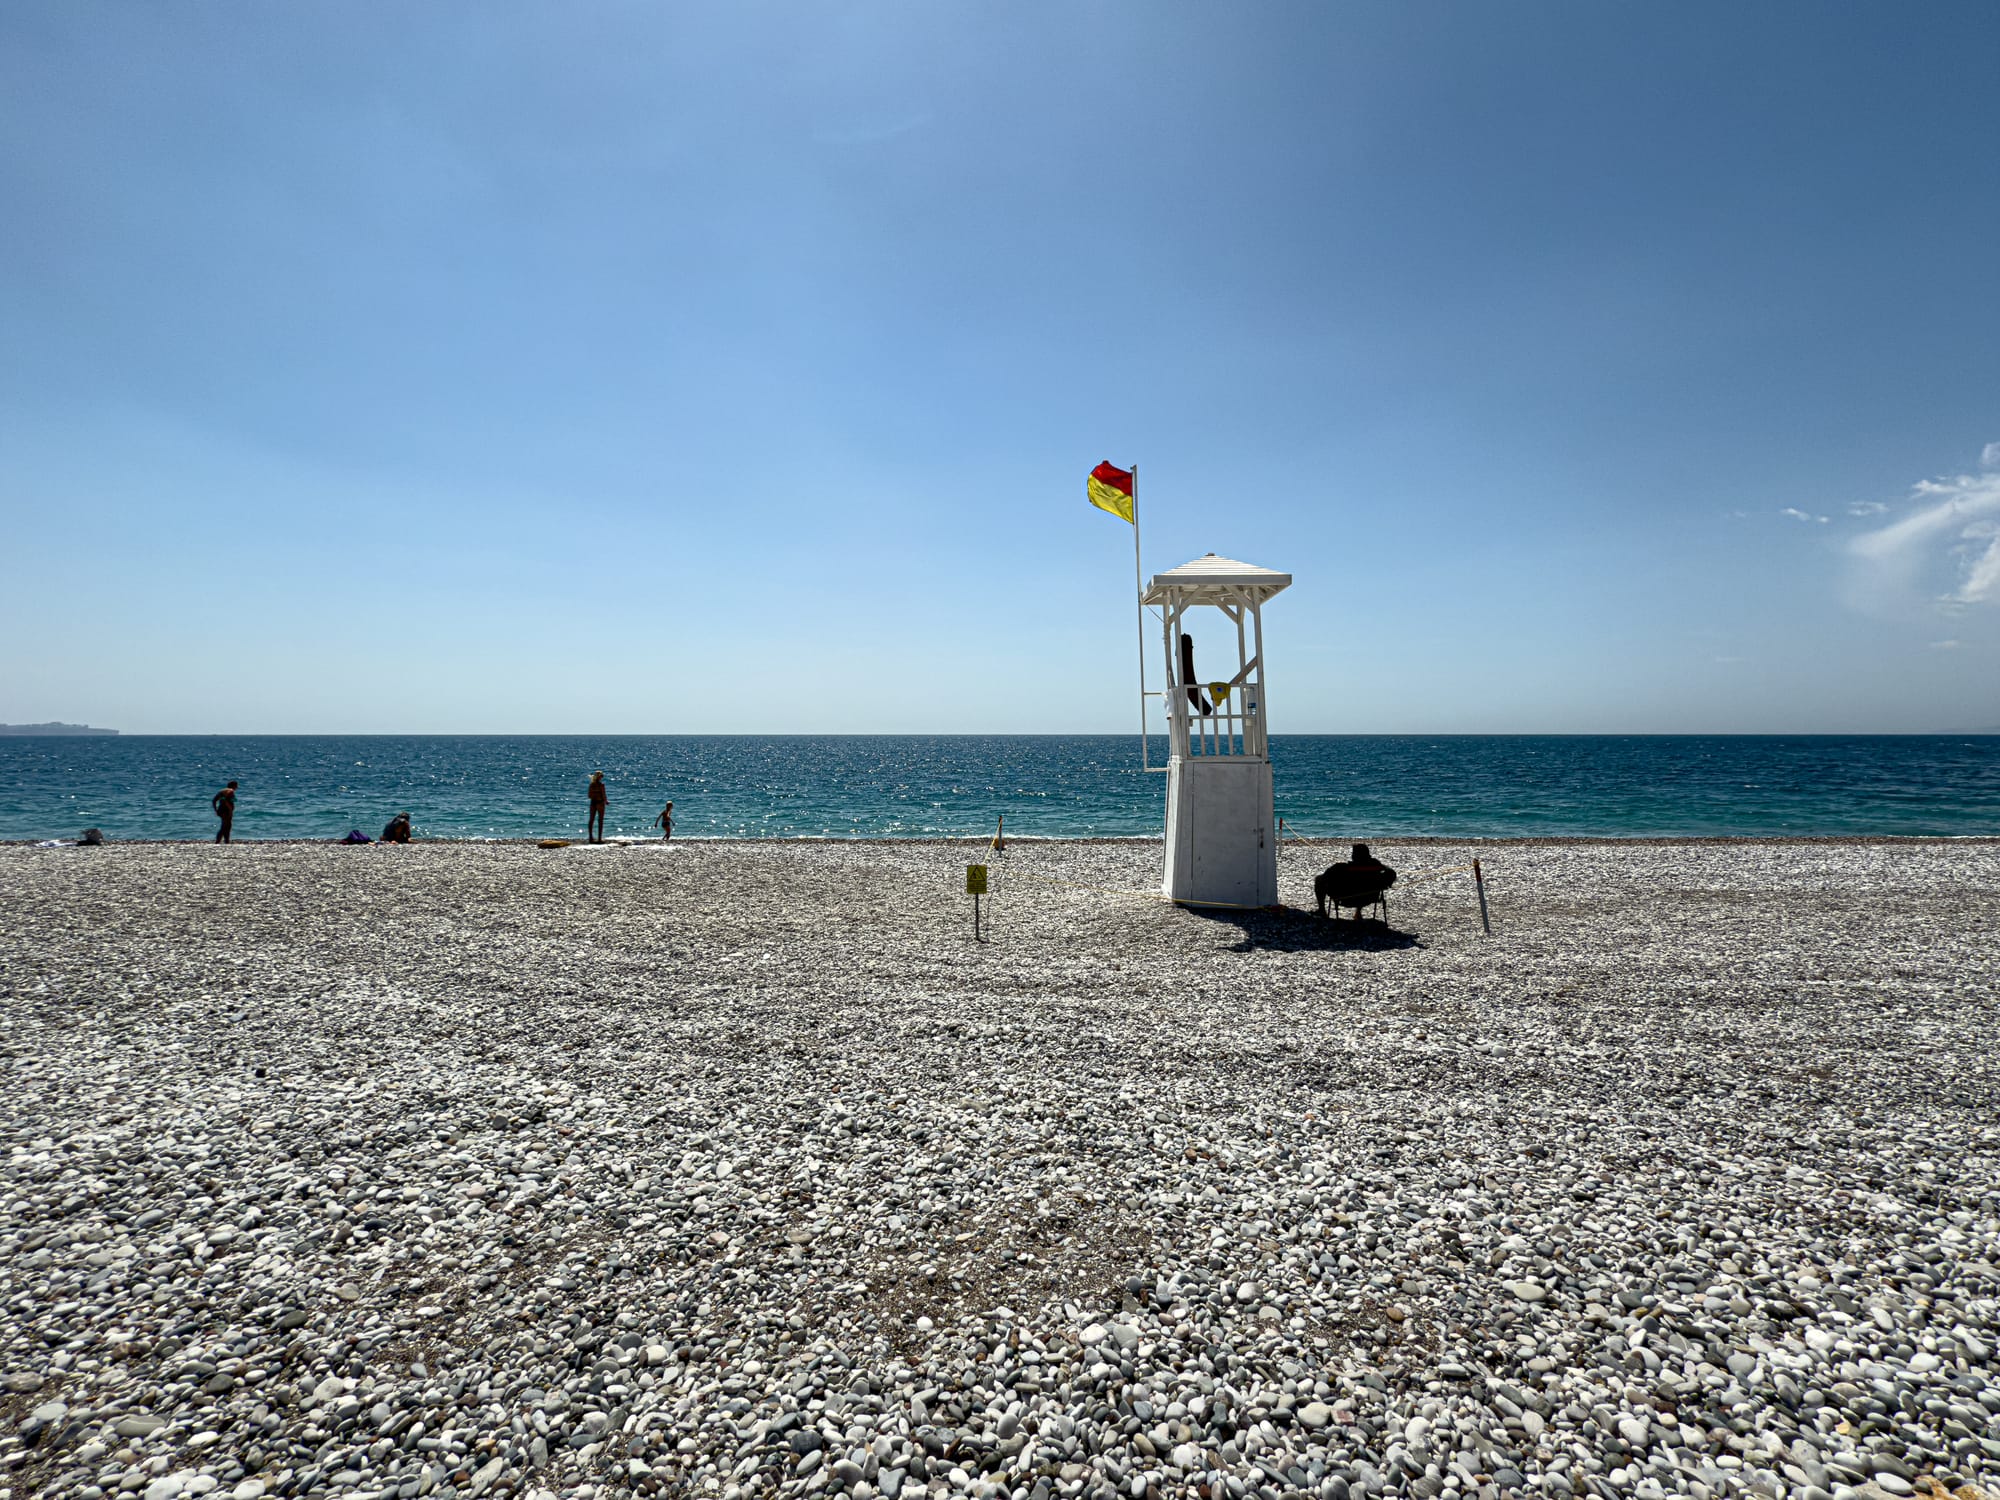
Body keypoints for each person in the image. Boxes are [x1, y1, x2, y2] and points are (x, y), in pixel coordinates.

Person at [587, 772, 608, 844]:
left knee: (591, 820)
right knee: (600, 821)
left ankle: (590, 838)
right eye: (601, 776)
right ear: (599, 777)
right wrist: (606, 801)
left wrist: (594, 796)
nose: (602, 777)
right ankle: (599, 839)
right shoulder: (601, 785)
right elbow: (604, 795)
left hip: (593, 802)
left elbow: (589, 795)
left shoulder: (591, 785)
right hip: (600, 802)